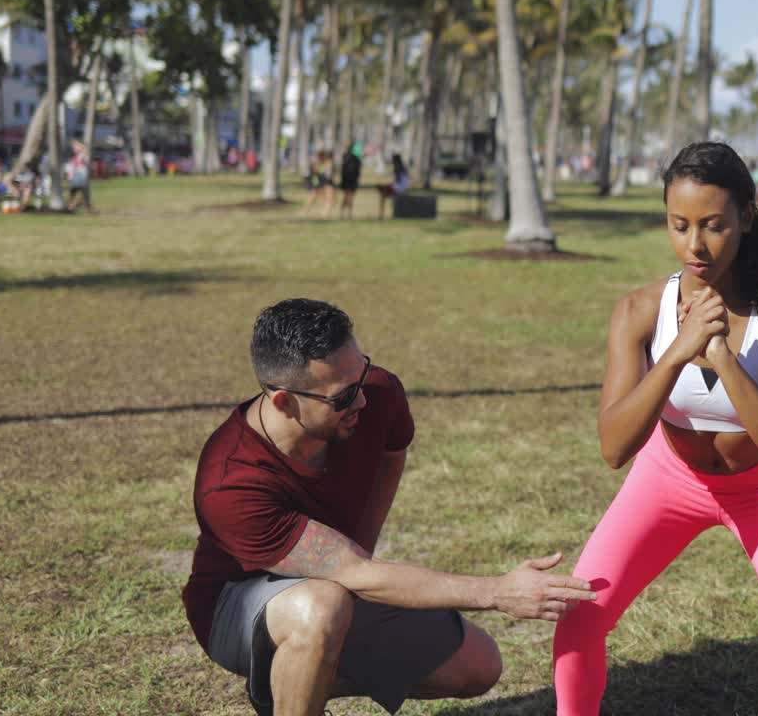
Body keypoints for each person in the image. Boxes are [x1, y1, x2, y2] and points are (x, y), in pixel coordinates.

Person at [552, 142, 758, 716]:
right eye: (680, 225)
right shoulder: (640, 312)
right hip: (669, 479)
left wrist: (722, 357)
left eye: (714, 226)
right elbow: (614, 447)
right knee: (579, 617)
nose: (695, 245)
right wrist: (676, 353)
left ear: (745, 217)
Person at [182, 298, 597, 716]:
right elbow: (355, 573)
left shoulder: (376, 393)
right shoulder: (230, 483)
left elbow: (391, 454)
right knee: (321, 606)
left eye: (361, 371)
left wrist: (360, 544)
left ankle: (290, 686)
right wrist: (498, 592)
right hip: (234, 607)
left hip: (337, 581)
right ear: (284, 403)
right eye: (342, 397)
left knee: (477, 666)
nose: (362, 400)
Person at [376, 153, 409, 219]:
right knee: (382, 189)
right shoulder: (403, 167)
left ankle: (381, 215)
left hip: (398, 188)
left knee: (382, 192)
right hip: (402, 187)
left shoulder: (398, 167)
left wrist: (389, 185)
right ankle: (381, 214)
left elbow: (397, 181)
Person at [64, 141, 93, 212]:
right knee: (73, 195)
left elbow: (86, 155)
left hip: (81, 178)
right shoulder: (74, 156)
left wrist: (81, 148)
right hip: (75, 179)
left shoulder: (82, 155)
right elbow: (70, 168)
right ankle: (71, 207)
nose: (74, 148)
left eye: (76, 147)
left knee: (84, 195)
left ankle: (83, 207)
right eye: (74, 147)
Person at [338, 143, 362, 219]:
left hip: (349, 180)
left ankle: (346, 214)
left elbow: (343, 170)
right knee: (348, 197)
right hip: (350, 181)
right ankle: (346, 214)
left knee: (348, 197)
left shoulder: (346, 157)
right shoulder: (354, 158)